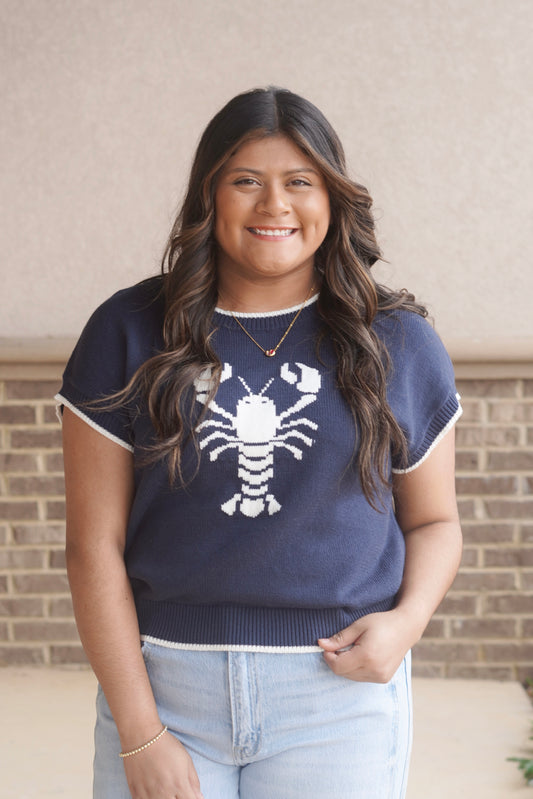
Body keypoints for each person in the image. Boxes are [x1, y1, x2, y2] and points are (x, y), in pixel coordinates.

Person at [56, 86, 463, 799]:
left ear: (331, 199)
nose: (274, 205)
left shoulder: (395, 341)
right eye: (246, 181)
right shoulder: (126, 332)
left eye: (299, 182)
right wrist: (140, 729)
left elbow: (434, 521)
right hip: (166, 688)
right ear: (207, 197)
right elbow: (92, 546)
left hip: (334, 697)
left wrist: (405, 621)